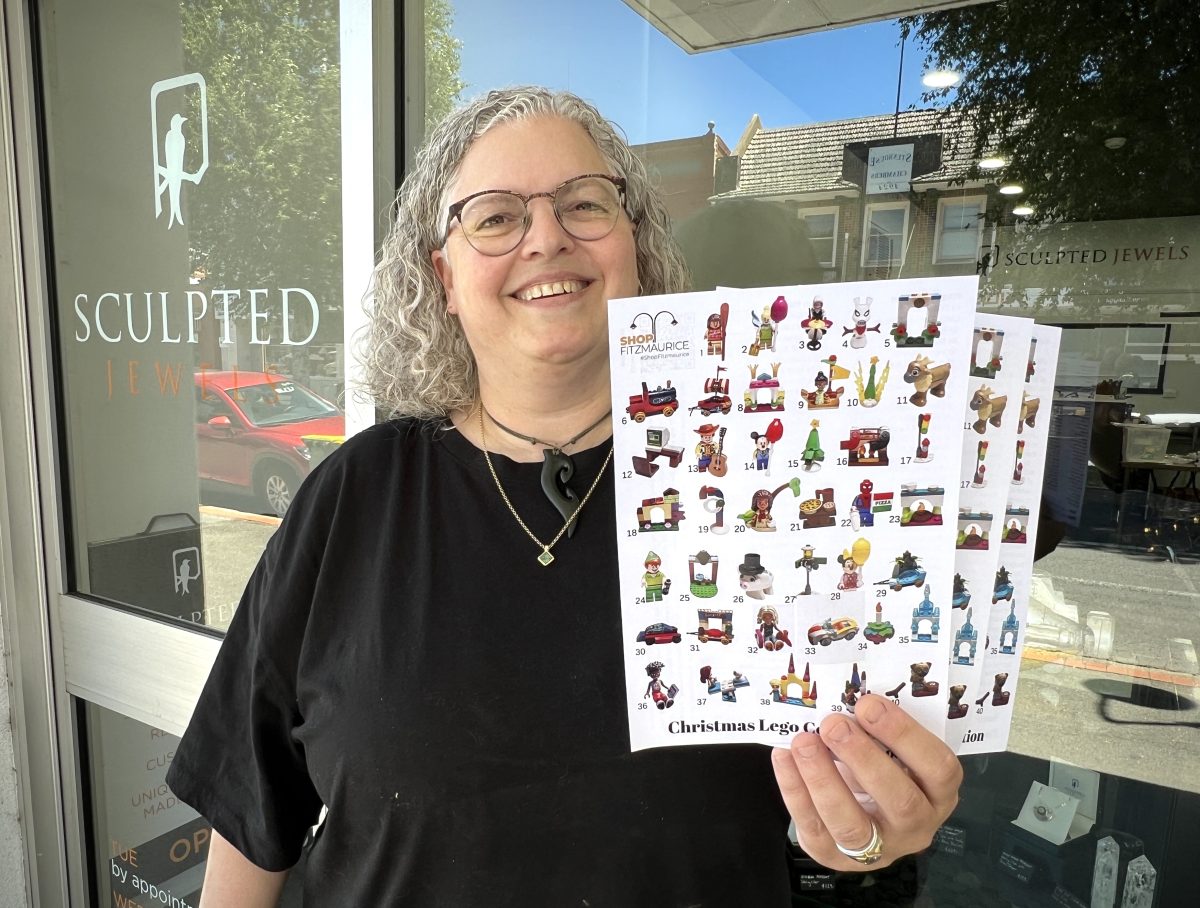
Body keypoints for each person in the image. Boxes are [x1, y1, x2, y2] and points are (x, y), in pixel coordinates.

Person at [167, 86, 962, 907]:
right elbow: (251, 816)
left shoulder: (766, 481)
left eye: (585, 203)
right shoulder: (354, 495)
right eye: (495, 216)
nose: (546, 237)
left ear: (636, 249)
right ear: (443, 277)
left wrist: (868, 843)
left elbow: (841, 842)